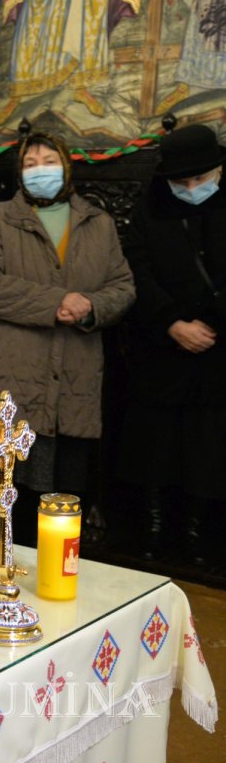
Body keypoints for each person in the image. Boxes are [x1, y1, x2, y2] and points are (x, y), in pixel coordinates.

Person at [0, 132, 135, 543]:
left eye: (49, 160)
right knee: (2, 500)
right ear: (19, 172)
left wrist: (90, 306)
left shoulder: (98, 223)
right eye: (31, 162)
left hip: (73, 378)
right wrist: (55, 303)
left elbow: (123, 288)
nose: (41, 169)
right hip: (9, 376)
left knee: (61, 500)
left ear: (67, 166)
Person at [119, 124, 226, 564]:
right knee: (158, 447)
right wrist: (172, 323)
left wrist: (209, 324)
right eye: (180, 182)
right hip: (161, 351)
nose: (190, 189)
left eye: (200, 180)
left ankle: (201, 534)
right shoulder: (150, 208)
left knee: (208, 447)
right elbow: (137, 271)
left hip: (218, 354)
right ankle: (156, 528)